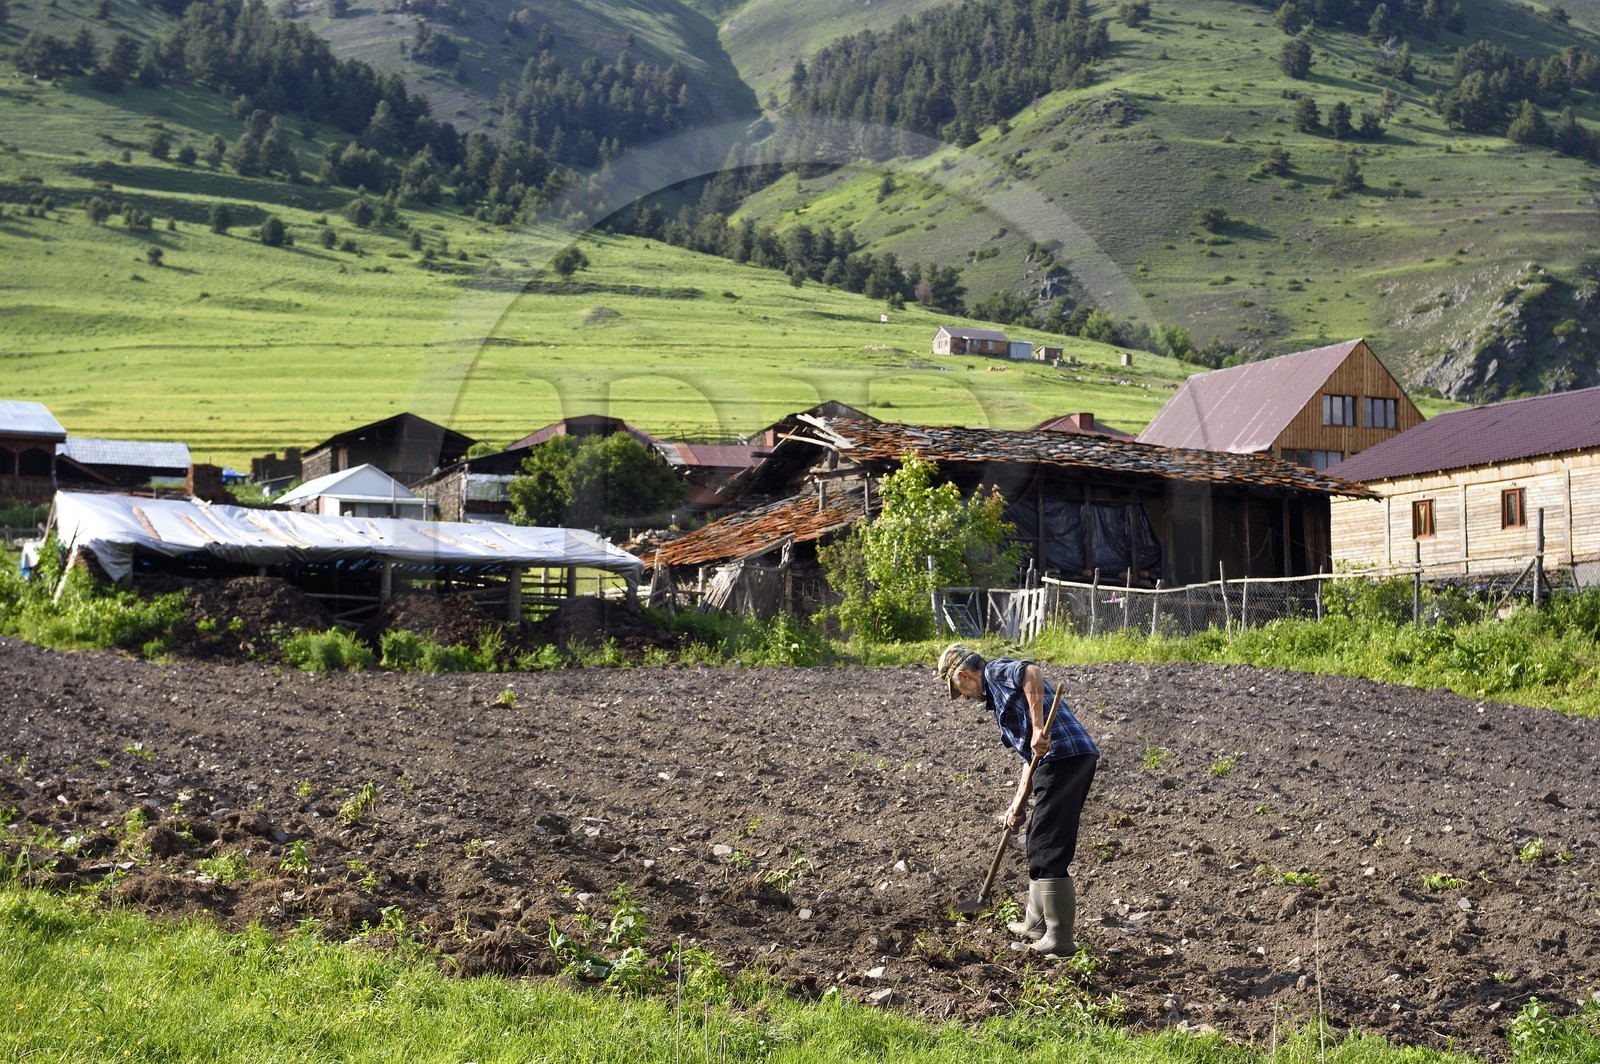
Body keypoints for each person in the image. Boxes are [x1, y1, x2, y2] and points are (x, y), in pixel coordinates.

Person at [937, 642, 1098, 956]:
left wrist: (1039, 727)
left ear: (963, 675)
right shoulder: (999, 701)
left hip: (1064, 758)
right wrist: (1018, 804)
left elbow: (1031, 672)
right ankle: (1035, 924)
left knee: (1049, 846)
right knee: (1038, 839)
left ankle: (1059, 939)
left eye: (961, 691)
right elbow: (1030, 759)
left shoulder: (996, 671)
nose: (965, 698)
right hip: (1062, 761)